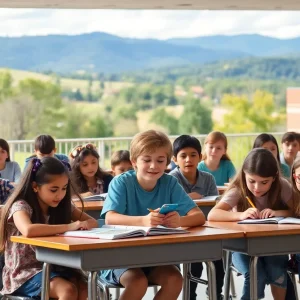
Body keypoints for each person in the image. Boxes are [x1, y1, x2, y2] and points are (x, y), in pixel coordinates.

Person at [100, 130, 205, 300]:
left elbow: (199, 216)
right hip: (119, 257)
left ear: (168, 163)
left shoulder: (170, 182)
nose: (153, 166)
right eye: (147, 160)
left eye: (160, 160)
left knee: (175, 280)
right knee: (138, 282)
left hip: (155, 256)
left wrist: (180, 220)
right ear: (134, 162)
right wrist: (143, 220)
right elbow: (110, 217)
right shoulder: (121, 182)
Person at [0, 156, 98, 299]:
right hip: (24, 273)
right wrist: (70, 226)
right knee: (67, 290)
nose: (60, 195)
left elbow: (93, 222)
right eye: (53, 190)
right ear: (35, 186)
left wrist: (84, 225)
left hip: (55, 266)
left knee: (84, 289)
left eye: (64, 188)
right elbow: (28, 230)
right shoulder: (21, 206)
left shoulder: (62, 206)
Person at [208, 148, 293, 300]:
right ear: (244, 175)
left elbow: (296, 211)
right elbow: (213, 214)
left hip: (273, 244)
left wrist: (277, 212)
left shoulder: (282, 186)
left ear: (274, 178)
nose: (257, 188)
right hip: (242, 247)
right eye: (252, 181)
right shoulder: (238, 189)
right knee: (256, 274)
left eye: (264, 182)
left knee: (277, 269)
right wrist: (241, 215)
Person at [169, 135, 224, 300]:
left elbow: (216, 206)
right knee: (194, 264)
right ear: (174, 159)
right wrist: (190, 198)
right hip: (182, 232)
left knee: (218, 260)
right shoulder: (171, 179)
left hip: (207, 230)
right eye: (183, 156)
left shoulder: (208, 178)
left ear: (200, 157)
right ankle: (189, 295)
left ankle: (215, 294)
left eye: (193, 155)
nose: (188, 160)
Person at [0, 139, 21, 203]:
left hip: (12, 202)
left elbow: (19, 186)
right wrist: (10, 185)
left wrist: (3, 184)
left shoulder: (14, 166)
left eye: (2, 152)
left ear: (7, 155)